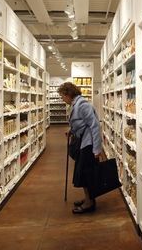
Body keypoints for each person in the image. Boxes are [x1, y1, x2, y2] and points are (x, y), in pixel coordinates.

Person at [58, 82, 102, 214]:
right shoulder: (76, 104)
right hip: (83, 142)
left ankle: (89, 203)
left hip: (88, 145)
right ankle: (88, 198)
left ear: (69, 94)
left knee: (85, 175)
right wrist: (72, 131)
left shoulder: (82, 105)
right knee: (84, 174)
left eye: (62, 96)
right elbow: (81, 123)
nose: (62, 99)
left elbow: (95, 126)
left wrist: (97, 149)